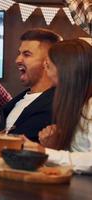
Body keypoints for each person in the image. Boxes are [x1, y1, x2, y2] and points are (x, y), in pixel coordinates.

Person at [24, 39, 92, 174]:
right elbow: (73, 157)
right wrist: (52, 146)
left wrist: (45, 151)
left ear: (66, 69)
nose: (44, 66)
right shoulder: (74, 104)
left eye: (48, 64)